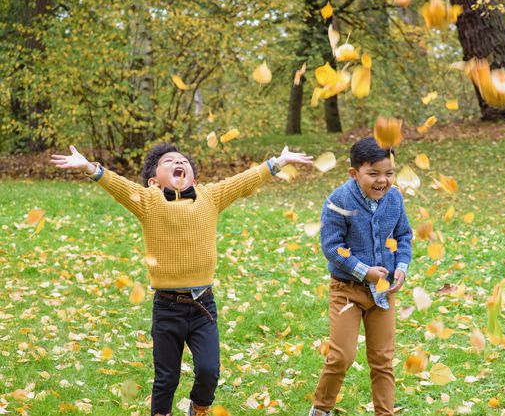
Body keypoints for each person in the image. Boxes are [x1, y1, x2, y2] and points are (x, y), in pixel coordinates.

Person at [51, 143, 312, 416]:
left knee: (209, 371)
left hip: (202, 306)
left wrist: (278, 162)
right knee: (166, 378)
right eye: (169, 161)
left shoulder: (209, 196)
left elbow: (243, 182)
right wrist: (90, 168)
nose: (179, 162)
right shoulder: (148, 201)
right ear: (153, 181)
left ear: (193, 178)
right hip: (167, 307)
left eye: (183, 161)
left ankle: (199, 408)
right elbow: (118, 186)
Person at [309, 137, 413, 416]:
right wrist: (363, 271)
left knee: (383, 359)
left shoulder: (394, 198)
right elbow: (331, 247)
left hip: (383, 290)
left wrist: (401, 266)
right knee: (341, 355)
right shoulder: (338, 201)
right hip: (347, 290)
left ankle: (384, 412)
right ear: (354, 173)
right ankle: (321, 409)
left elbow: (403, 235)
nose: (383, 180)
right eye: (374, 173)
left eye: (389, 173)